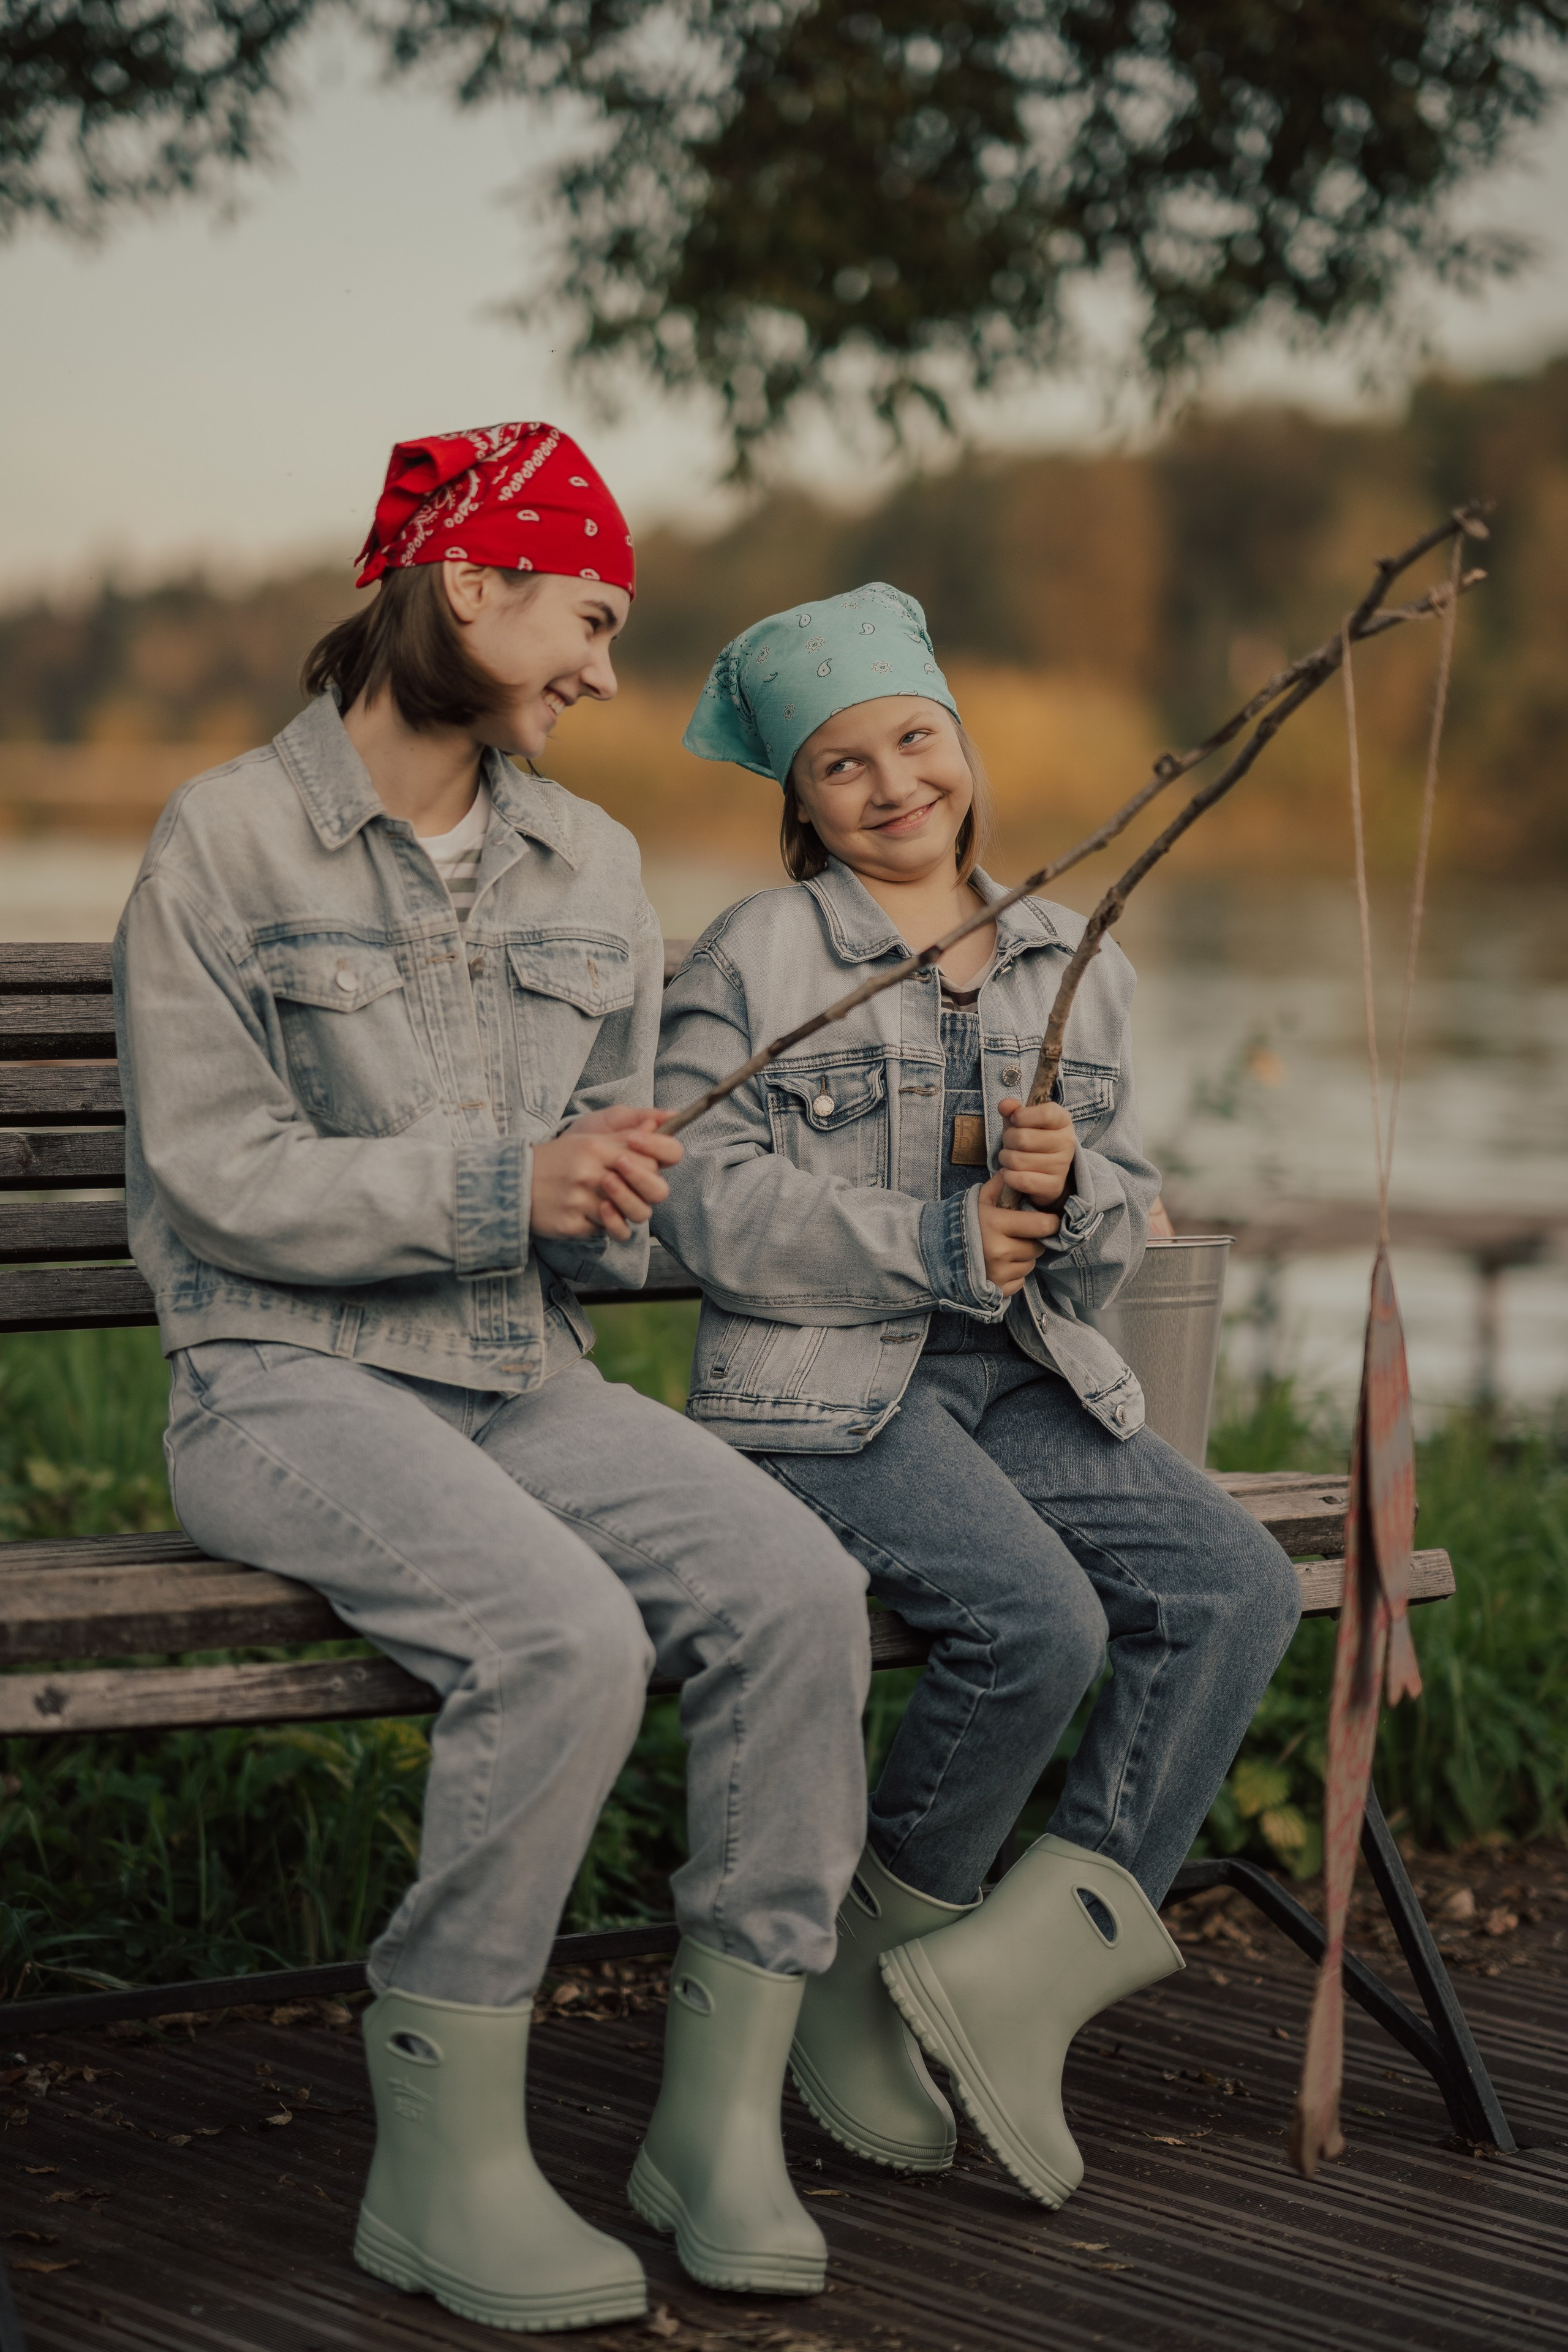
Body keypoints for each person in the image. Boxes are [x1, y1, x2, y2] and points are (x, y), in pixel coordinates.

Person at [113, 426, 873, 2331]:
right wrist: (497, 1180)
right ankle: (441, 2172)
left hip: (517, 1372)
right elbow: (218, 1180)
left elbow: (585, 1209)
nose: (609, 675)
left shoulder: (592, 860)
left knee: (802, 1593)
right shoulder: (225, 837)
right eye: (591, 621)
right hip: (282, 1384)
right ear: (472, 587)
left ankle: (717, 2122)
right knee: (564, 1638)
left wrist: (618, 1192)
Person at [653, 581, 1302, 2211]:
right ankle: (876, 1963)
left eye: (914, 740)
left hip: (1023, 1373)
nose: (892, 784)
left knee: (1234, 1586)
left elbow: (1108, 1231)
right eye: (842, 765)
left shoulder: (1076, 960)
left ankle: (1016, 1984)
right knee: (1038, 1622)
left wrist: (1075, 1184)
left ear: (963, 744)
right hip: (823, 1391)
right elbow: (696, 1196)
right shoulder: (761, 955)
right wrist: (933, 1235)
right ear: (798, 801)